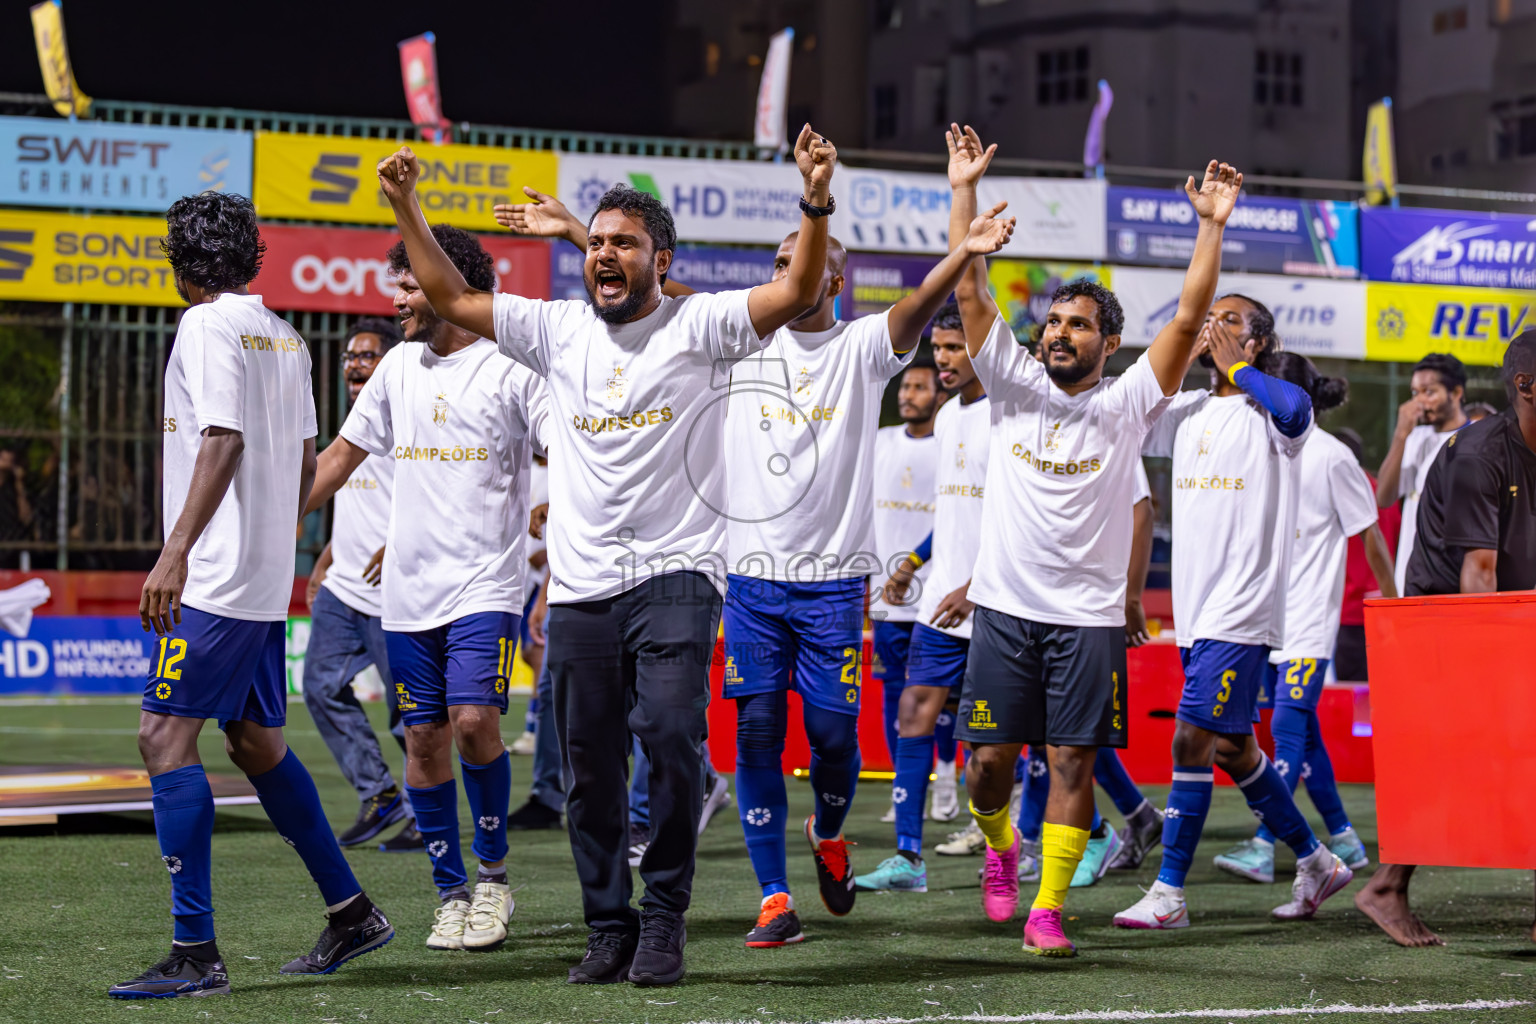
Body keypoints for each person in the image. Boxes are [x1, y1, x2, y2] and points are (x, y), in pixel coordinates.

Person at [378, 126, 840, 987]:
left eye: (622, 242)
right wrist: (409, 206)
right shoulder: (554, 331)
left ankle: (663, 917)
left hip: (676, 578)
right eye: (593, 242)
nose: (603, 254)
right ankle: (609, 925)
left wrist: (814, 196)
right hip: (583, 586)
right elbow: (446, 290)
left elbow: (801, 285)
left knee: (667, 735)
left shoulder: (701, 324)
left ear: (659, 259)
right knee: (588, 769)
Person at [948, 126, 1241, 957]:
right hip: (1004, 609)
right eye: (1054, 321)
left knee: (1074, 765)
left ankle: (1047, 906)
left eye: (1079, 325)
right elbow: (971, 289)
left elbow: (1188, 318)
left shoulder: (1128, 403)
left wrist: (1210, 225)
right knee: (986, 772)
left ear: (1108, 345)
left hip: (1086, 620)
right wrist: (962, 189)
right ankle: (1002, 848)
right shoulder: (1009, 382)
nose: (1060, 333)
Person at [115, 193, 392, 999]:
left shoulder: (206, 326)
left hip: (215, 579)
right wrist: (272, 543)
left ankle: (195, 951)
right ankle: (351, 910)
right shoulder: (289, 337)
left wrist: (177, 553)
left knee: (163, 740)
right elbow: (306, 461)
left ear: (180, 261)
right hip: (260, 581)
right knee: (256, 745)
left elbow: (223, 437)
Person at [723, 196, 1012, 951]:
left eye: (807, 262)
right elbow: (658, 301)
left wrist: (963, 244)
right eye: (781, 263)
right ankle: (774, 897)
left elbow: (918, 306)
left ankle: (827, 831)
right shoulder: (740, 342)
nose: (790, 273)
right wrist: (578, 235)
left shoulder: (861, 348)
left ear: (837, 279)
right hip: (750, 585)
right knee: (756, 733)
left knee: (831, 737)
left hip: (829, 590)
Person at [303, 225, 543, 954]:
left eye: (410, 285)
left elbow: (569, 448)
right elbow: (340, 456)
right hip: (406, 597)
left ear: (449, 284)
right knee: (424, 740)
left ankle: (494, 877)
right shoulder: (398, 369)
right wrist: (263, 519)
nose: (398, 299)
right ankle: (450, 892)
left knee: (473, 723)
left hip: (485, 586)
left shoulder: (513, 368)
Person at [1115, 297, 1354, 933]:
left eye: (1229, 321)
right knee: (1232, 747)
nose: (1212, 325)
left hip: (1243, 611)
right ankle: (1316, 858)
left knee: (1188, 740)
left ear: (1256, 343)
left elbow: (1297, 410)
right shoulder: (1191, 410)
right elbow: (1132, 418)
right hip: (1197, 614)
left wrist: (1240, 370)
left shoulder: (1273, 411)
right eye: (1209, 317)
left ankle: (1168, 892)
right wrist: (1177, 358)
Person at [1356, 330, 1536, 948]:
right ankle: (1386, 886)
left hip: (1512, 604)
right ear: (1525, 386)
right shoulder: (1478, 454)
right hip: (1446, 613)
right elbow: (1476, 574)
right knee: (1454, 755)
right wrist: (1497, 672)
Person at [1211, 353, 1396, 885]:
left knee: (1287, 732)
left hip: (1309, 622)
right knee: (1304, 735)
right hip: (1261, 619)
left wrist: (1394, 608)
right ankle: (1343, 837)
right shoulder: (1254, 450)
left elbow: (1372, 535)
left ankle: (1266, 843)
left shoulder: (1333, 457)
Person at [855, 300, 991, 896]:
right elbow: (958, 515)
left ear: (983, 349)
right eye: (937, 349)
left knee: (1003, 744)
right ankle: (910, 857)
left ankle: (1058, 836)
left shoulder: (1008, 415)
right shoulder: (954, 416)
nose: (942, 360)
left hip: (996, 604)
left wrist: (977, 584)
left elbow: (1017, 517)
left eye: (954, 348)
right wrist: (913, 564)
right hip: (940, 600)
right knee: (912, 711)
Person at [301, 317, 411, 850]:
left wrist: (400, 543)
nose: (354, 365)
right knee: (319, 687)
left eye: (366, 356)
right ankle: (379, 792)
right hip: (344, 588)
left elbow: (431, 496)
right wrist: (324, 562)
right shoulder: (351, 425)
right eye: (349, 357)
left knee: (407, 714)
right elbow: (355, 504)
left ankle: (422, 812)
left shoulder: (408, 420)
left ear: (389, 362)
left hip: (395, 593)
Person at [870, 356, 947, 823]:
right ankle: (906, 790)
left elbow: (956, 521)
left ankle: (944, 778)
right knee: (890, 694)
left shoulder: (951, 445)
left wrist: (913, 564)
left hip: (936, 598)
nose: (907, 394)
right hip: (885, 599)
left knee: (939, 698)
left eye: (920, 387)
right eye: (905, 386)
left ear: (940, 395)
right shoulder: (880, 442)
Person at [1375, 353, 1468, 596]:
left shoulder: (1475, 440)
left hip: (1450, 580)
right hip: (1410, 578)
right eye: (1415, 393)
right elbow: (1383, 498)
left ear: (1456, 393)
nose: (1420, 402)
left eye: (1429, 392)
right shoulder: (1414, 438)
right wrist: (1401, 435)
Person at [1332, 428, 1398, 682]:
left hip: (1349, 611)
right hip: (1383, 606)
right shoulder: (1383, 492)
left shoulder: (1337, 491)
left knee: (1351, 696)